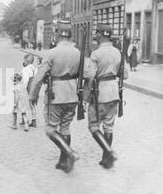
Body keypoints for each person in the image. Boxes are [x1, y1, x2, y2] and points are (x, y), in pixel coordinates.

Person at [29, 20, 80, 174]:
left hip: (55, 96)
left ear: (58, 34)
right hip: (72, 95)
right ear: (70, 36)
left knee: (51, 129)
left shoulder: (51, 53)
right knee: (65, 128)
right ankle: (63, 161)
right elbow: (89, 74)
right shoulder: (78, 53)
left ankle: (70, 153)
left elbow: (39, 77)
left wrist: (33, 95)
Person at [84, 23, 128, 169]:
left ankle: (109, 152)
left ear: (101, 35)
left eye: (97, 34)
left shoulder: (96, 54)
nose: (96, 36)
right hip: (114, 92)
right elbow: (125, 75)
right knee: (109, 126)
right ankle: (106, 159)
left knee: (93, 127)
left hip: (99, 94)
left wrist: (86, 96)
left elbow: (90, 77)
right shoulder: (118, 52)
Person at [21, 54, 37, 128]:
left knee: (25, 103)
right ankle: (34, 121)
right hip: (35, 88)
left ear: (27, 60)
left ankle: (24, 120)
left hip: (28, 88)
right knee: (32, 104)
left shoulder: (26, 69)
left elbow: (25, 80)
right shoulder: (34, 68)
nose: (23, 61)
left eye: (24, 60)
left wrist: (22, 89)